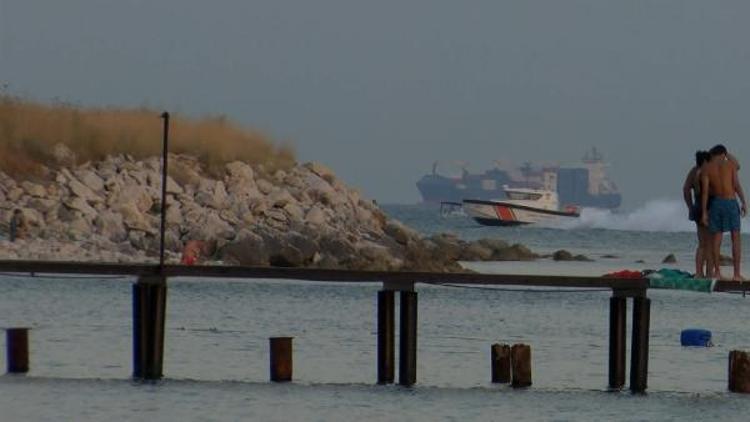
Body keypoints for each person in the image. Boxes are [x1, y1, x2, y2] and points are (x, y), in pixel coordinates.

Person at [701, 145, 747, 280]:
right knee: (736, 238)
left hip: (716, 203)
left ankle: (717, 272)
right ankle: (736, 274)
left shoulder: (707, 168)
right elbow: (736, 185)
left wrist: (704, 212)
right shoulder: (731, 165)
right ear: (723, 154)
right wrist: (743, 202)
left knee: (717, 239)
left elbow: (705, 193)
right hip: (731, 202)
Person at [682, 150, 711, 277]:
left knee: (702, 243)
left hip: (697, 206)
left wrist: (690, 206)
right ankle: (709, 273)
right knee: (710, 243)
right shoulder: (705, 172)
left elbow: (686, 189)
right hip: (708, 207)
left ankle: (699, 272)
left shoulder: (693, 171)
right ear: (705, 161)